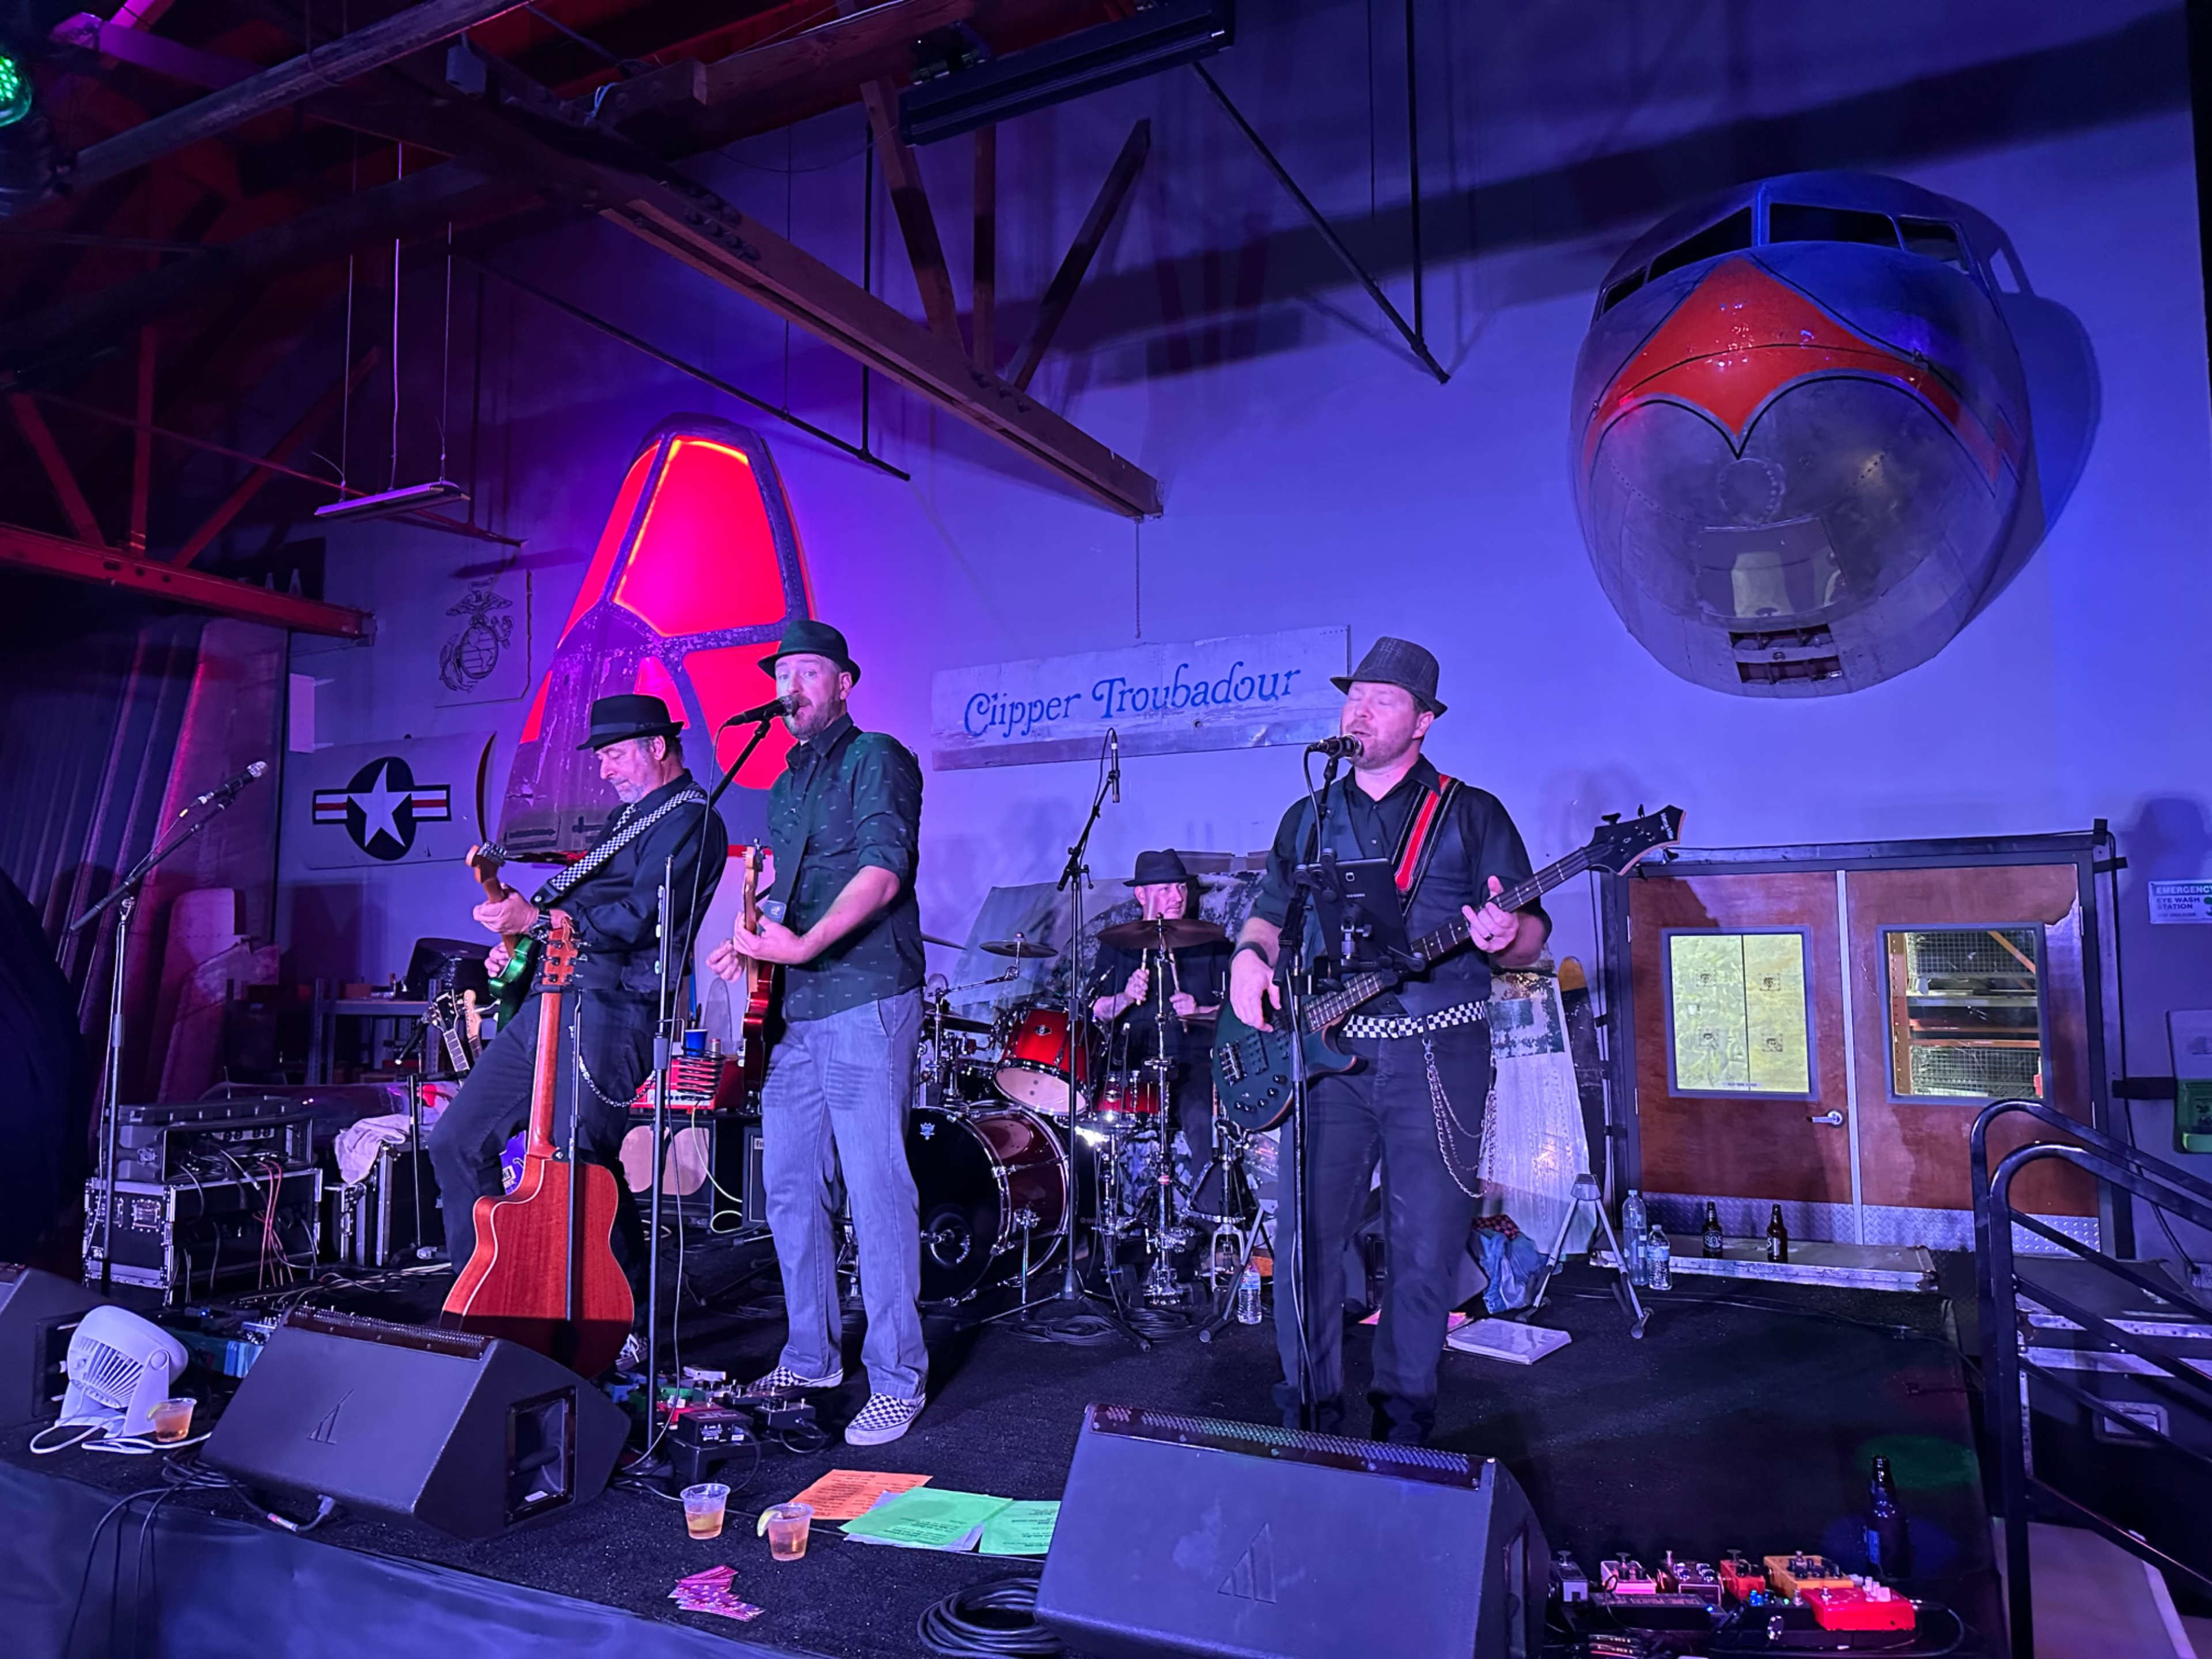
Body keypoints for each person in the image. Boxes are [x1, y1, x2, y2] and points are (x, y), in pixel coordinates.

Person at [1227, 637, 1550, 1445]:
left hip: (1439, 1051)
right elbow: (1269, 914)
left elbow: (1528, 935)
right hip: (1330, 1056)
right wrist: (1246, 959)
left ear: (1424, 723)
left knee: (1423, 1249)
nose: (1359, 711)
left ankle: (1404, 1427)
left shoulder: (1472, 814)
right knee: (1305, 1241)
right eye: (1354, 697)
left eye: (1382, 700)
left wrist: (1507, 932)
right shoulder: (1310, 814)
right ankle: (1309, 1415)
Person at [430, 694, 728, 1357]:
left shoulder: (692, 819)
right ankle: (486, 1297)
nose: (608, 770)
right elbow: (583, 904)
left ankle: (624, 1323)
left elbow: (642, 918)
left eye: (617, 754)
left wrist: (534, 923)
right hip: (553, 996)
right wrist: (519, 936)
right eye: (602, 758)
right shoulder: (627, 818)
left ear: (658, 746)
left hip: (616, 1006)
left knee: (579, 1162)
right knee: (456, 1138)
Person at [706, 619, 929, 1447]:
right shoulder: (787, 781)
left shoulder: (878, 759)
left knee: (876, 1192)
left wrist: (801, 944)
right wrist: (751, 936)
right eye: (782, 673)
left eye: (807, 672)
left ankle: (897, 1378)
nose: (789, 685)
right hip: (797, 1010)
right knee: (793, 1188)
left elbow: (882, 870)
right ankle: (811, 1356)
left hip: (866, 998)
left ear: (843, 683)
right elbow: (785, 898)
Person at [1089, 849, 1230, 1214]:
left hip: (1193, 1062)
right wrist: (1124, 998)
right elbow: (1095, 1011)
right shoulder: (1116, 945)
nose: (1178, 897)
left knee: (1202, 1116)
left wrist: (1202, 1010)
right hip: (1133, 1062)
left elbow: (1237, 1012)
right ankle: (1104, 1231)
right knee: (1086, 1118)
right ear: (1142, 895)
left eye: (1181, 889)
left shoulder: (1210, 942)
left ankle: (1212, 1227)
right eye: (1166, 890)